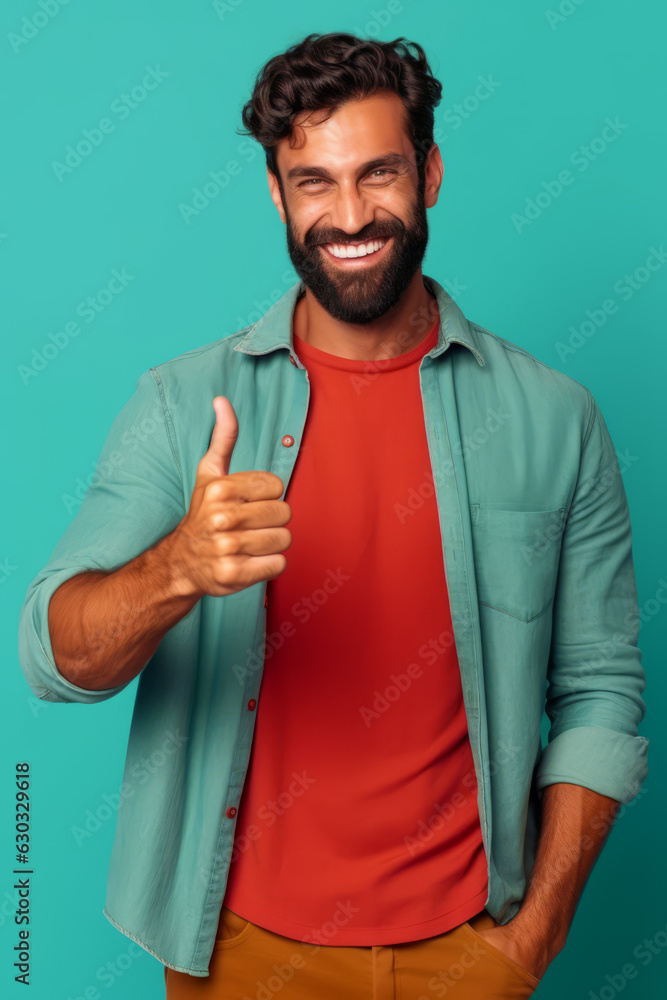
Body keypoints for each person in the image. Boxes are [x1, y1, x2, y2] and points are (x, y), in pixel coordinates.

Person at [18, 32, 648, 999]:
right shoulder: (183, 404)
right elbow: (55, 659)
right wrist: (177, 567)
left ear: (429, 173)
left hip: (468, 953)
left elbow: (601, 689)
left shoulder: (555, 418)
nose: (347, 215)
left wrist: (534, 940)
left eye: (378, 174)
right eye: (312, 182)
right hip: (239, 955)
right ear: (276, 194)